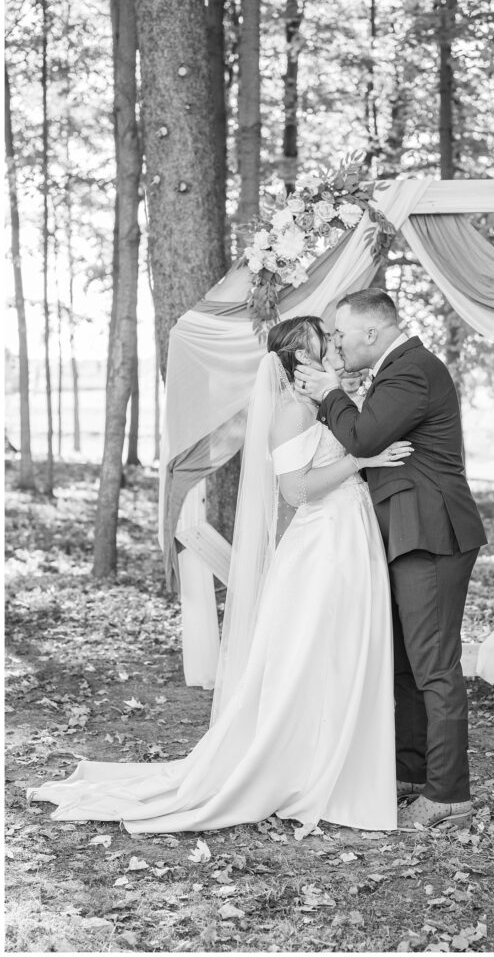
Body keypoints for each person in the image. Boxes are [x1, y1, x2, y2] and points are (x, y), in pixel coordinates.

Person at [27, 316, 413, 835]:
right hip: (322, 546)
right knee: (317, 655)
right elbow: (296, 492)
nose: (337, 347)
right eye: (328, 341)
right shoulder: (291, 412)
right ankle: (306, 768)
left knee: (344, 653)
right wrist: (362, 460)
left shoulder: (321, 404)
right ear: (303, 355)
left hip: (348, 535)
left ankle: (342, 765)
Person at [296, 289, 487, 830]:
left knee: (433, 666)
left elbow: (363, 437)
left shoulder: (410, 371)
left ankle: (449, 793)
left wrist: (332, 392)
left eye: (340, 333)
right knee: (404, 661)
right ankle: (410, 772)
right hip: (406, 533)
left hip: (431, 534)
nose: (335, 342)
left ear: (372, 334)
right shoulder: (397, 369)